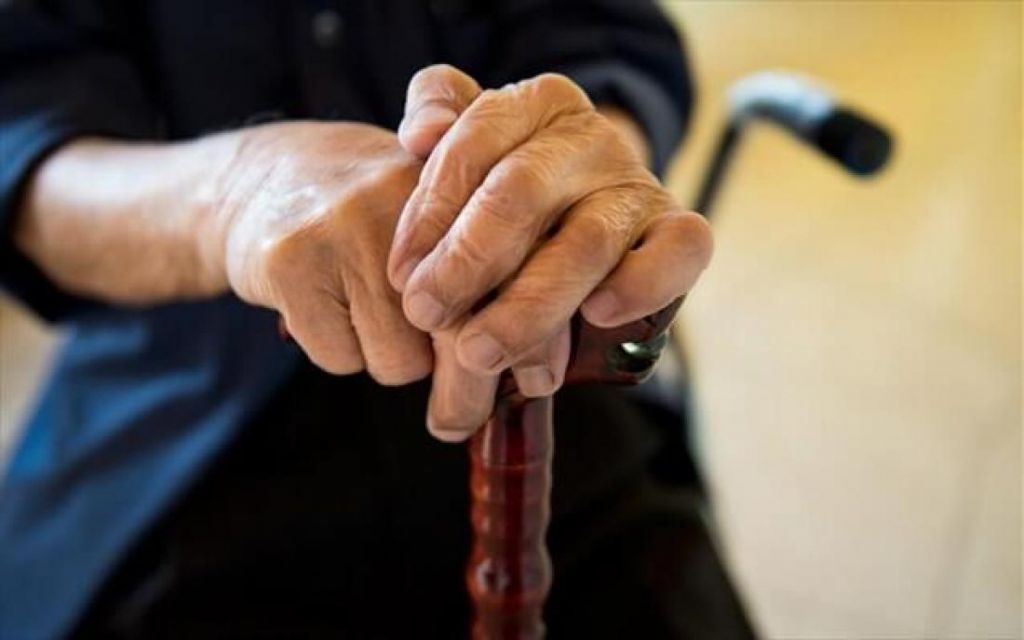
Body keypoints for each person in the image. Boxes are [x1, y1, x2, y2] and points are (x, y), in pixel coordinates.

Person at [0, 1, 753, 637]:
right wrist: (232, 193)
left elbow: (601, 36)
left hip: (536, 382)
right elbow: (21, 122)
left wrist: (567, 175)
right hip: (179, 419)